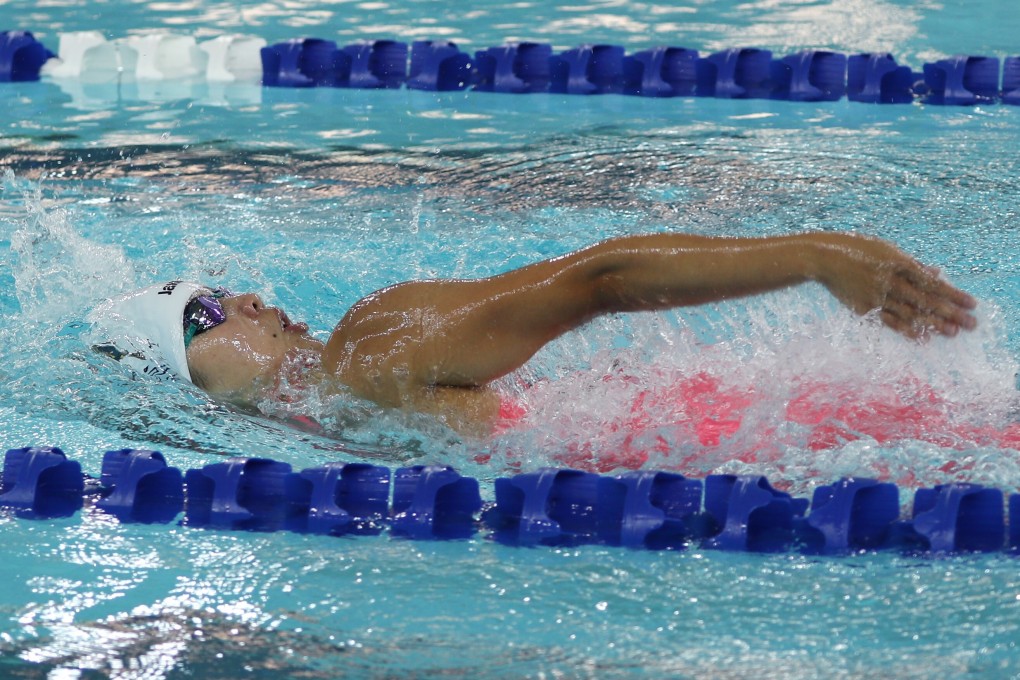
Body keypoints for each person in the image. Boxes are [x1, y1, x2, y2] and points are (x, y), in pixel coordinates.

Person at [89, 231, 978, 435]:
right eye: (204, 312)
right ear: (187, 382)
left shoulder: (367, 348)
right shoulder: (337, 416)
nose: (242, 301)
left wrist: (820, 256)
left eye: (228, 289)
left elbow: (599, 282)